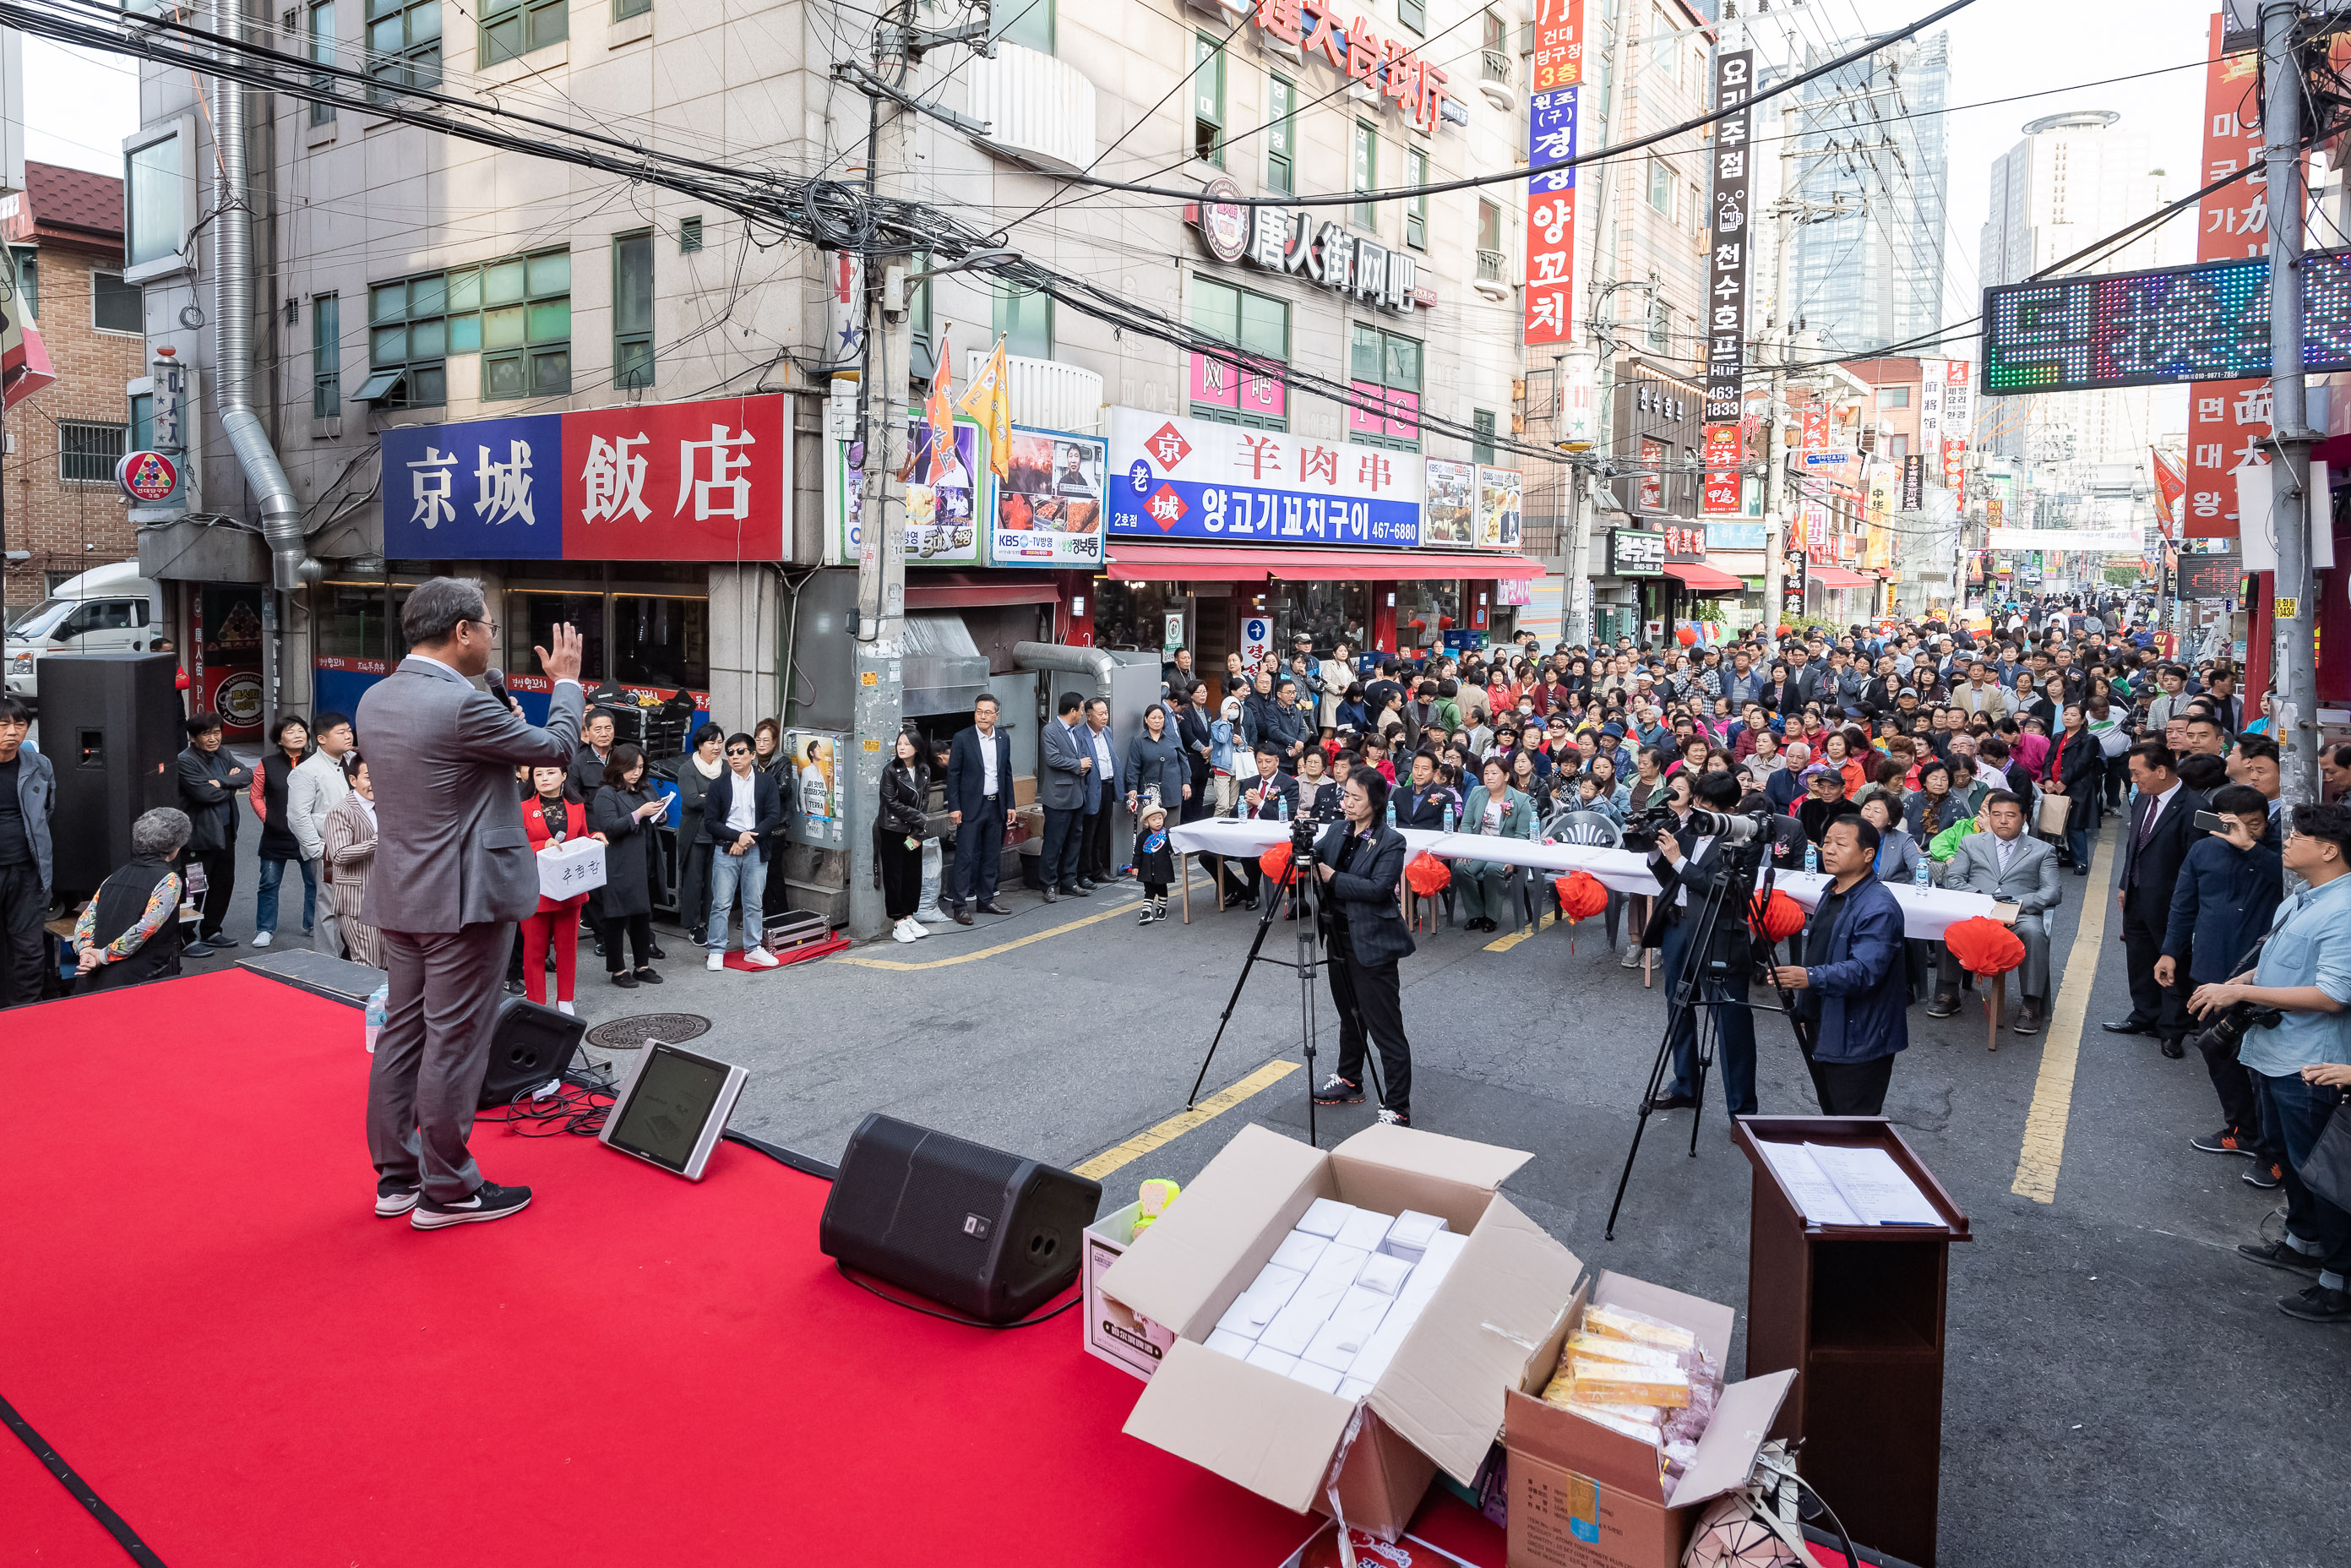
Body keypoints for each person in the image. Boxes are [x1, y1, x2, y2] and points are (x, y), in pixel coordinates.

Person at [357, 580, 582, 1230]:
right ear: (460, 632)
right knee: (454, 1042)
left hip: (404, 891)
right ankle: (449, 1189)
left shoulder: (378, 698)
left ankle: (397, 1178)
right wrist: (566, 683)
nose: (493, 636)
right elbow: (556, 748)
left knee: (404, 1033)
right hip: (465, 899)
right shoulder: (458, 709)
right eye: (486, 625)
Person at [2189, 802, 2351, 1324]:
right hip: (2275, 1052)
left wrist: (2239, 996)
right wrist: (2243, 981)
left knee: (2324, 1173)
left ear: (2328, 850)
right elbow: (2283, 955)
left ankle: (2338, 1280)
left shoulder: (2346, 910)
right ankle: (2302, 1242)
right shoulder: (2305, 897)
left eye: (2298, 835)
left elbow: (2332, 995)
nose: (2286, 840)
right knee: (2289, 1159)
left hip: (2312, 1062)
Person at [2162, 784, 2285, 1167]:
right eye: (2237, 825)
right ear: (2218, 822)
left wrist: (2250, 845)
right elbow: (2183, 905)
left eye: (2257, 825)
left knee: (2265, 1066)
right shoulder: (2203, 851)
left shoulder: (2279, 855)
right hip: (2211, 970)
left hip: (2266, 973)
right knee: (2217, 1051)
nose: (2248, 832)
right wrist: (2169, 951)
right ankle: (2242, 1130)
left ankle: (2274, 1151)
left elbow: (2288, 885)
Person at [1645, 770, 1761, 1120]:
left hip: (1718, 933)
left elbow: (1722, 889)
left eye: (1708, 807)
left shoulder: (1745, 839)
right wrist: (1657, 855)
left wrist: (1679, 859)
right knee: (1678, 1009)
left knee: (1730, 1022)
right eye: (1698, 803)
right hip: (1678, 925)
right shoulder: (1692, 827)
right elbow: (1673, 878)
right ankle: (1685, 1085)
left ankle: (1742, 1111)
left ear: (1730, 808)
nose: (1700, 811)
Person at [1775, 815, 1909, 1115]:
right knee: (1832, 1115)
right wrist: (1806, 1008)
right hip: (1826, 1023)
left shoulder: (1878, 907)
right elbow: (1822, 953)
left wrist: (1807, 978)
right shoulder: (1832, 891)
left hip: (1860, 1035)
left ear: (1868, 855)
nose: (1830, 850)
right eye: (1826, 843)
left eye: (1841, 844)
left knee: (1853, 1124)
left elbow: (1865, 971)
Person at [1309, 770, 1418, 1126]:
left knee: (1385, 1026)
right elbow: (1315, 857)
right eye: (1345, 796)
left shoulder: (1391, 841)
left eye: (1355, 798)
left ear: (1375, 802)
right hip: (1338, 937)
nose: (1347, 803)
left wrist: (1334, 878)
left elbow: (1378, 888)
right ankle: (1349, 1078)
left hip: (1373, 942)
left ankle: (1398, 1106)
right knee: (1350, 1015)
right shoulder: (1338, 830)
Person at [2102, 743, 2207, 1055]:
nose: (2132, 780)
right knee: (2139, 959)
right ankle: (2144, 1015)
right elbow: (2134, 846)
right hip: (2136, 894)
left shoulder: (2195, 808)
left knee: (2172, 963)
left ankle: (2172, 1029)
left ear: (2160, 771)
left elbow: (2196, 862)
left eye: (2137, 773)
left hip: (2171, 902)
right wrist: (2124, 884)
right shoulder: (2143, 800)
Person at [1929, 792, 2062, 1032]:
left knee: (2034, 932)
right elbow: (1954, 879)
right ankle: (1948, 991)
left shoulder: (2042, 850)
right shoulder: (1971, 843)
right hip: (1976, 909)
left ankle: (2031, 1004)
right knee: (1949, 924)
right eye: (1996, 815)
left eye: (2010, 815)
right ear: (1988, 817)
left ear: (2024, 818)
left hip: (2018, 914)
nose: (2002, 821)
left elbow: (2051, 892)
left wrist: (2016, 903)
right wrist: (1983, 898)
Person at [73, 807, 192, 992]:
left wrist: (86, 951)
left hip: (94, 981)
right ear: (175, 848)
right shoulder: (168, 880)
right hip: (136, 980)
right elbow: (146, 927)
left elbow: (87, 919)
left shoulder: (113, 877)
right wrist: (104, 955)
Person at [703, 731, 786, 964]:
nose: (735, 756)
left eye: (740, 752)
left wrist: (748, 838)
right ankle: (717, 949)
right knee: (720, 903)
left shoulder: (766, 782)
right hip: (726, 848)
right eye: (730, 753)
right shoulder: (718, 785)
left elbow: (772, 816)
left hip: (756, 848)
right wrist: (738, 838)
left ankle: (753, 947)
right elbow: (711, 822)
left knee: (754, 902)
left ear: (752, 754)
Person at [593, 743, 669, 987]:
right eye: (631, 768)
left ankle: (642, 966)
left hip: (644, 859)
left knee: (641, 916)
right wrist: (639, 814)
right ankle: (617, 970)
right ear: (618, 767)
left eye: (639, 767)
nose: (636, 772)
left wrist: (660, 814)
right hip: (620, 862)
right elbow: (611, 828)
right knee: (616, 917)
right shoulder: (606, 793)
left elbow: (654, 816)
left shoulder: (646, 788)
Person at [0, 695, 56, 1004]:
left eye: (19, 724)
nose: (12, 732)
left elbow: (47, 811)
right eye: (3, 724)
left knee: (29, 947)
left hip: (27, 871)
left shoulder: (39, 764)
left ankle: (27, 1011)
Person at [287, 710, 355, 958]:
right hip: (329, 848)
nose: (348, 735)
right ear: (322, 739)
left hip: (362, 845)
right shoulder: (306, 771)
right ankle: (328, 958)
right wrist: (317, 849)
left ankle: (356, 953)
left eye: (349, 730)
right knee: (329, 906)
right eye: (341, 732)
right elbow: (297, 816)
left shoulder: (355, 759)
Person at [945, 694, 1016, 925]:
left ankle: (986, 899)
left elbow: (1006, 773)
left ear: (996, 716)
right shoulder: (962, 738)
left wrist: (1010, 805)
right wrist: (954, 807)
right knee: (965, 856)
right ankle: (959, 905)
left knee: (990, 855)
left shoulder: (1003, 739)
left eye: (987, 712)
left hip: (996, 805)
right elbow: (953, 775)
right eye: (979, 711)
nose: (982, 716)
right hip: (970, 807)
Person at [250, 714, 315, 948]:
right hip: (275, 835)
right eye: (290, 731)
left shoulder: (316, 760)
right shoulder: (267, 763)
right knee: (268, 883)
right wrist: (269, 819)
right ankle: (265, 929)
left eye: (301, 730)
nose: (298, 735)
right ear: (279, 738)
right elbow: (256, 796)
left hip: (310, 834)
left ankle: (312, 924)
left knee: (314, 882)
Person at [1456, 754, 1535, 934]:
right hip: (1479, 847)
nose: (1489, 777)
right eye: (1486, 773)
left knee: (1493, 869)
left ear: (1506, 776)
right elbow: (1467, 824)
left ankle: (1491, 917)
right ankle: (1475, 913)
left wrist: (1511, 858)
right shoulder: (1477, 792)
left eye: (1494, 773)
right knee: (1460, 868)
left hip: (1503, 850)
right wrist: (1465, 849)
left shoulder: (1521, 801)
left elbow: (1522, 835)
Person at [322, 752, 384, 972]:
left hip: (388, 901)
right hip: (357, 902)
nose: (375, 783)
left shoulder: (388, 806)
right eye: (368, 777)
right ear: (353, 780)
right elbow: (339, 854)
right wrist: (379, 841)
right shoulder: (342, 811)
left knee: (388, 964)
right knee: (367, 964)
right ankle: (360, 1006)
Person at [667, 723, 726, 946]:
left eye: (719, 742)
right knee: (694, 880)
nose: (716, 747)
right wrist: (716, 798)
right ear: (700, 745)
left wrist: (707, 796)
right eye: (711, 742)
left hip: (719, 834)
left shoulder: (726, 768)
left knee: (715, 881)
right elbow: (691, 800)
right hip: (695, 834)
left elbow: (730, 798)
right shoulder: (688, 769)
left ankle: (711, 919)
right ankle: (693, 924)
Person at [1038, 692, 1091, 903]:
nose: (1082, 714)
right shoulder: (1050, 730)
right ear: (1072, 711)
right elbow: (1053, 759)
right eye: (1081, 709)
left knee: (1074, 840)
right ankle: (1048, 884)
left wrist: (1083, 766)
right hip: (1058, 797)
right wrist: (1078, 765)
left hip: (1077, 794)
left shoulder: (1076, 732)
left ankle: (1069, 881)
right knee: (1054, 842)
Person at [879, 729, 932, 943]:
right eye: (900, 743)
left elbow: (925, 801)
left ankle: (910, 916)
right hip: (892, 829)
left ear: (917, 747)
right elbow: (890, 803)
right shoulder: (890, 770)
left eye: (907, 744)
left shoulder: (924, 770)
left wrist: (918, 832)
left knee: (912, 875)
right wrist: (918, 817)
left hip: (913, 830)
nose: (902, 747)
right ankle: (898, 921)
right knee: (894, 876)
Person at [2043, 702, 2103, 874]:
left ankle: (2081, 861)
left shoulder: (2089, 739)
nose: (2068, 717)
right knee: (2057, 824)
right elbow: (2048, 759)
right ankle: (2066, 856)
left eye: (2073, 715)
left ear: (2083, 719)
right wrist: (2047, 779)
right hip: (2054, 786)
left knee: (2076, 825)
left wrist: (2064, 781)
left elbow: (2082, 763)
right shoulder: (2057, 736)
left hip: (2077, 787)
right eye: (2066, 714)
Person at [1124, 700, 1189, 846]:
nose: (1157, 721)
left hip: (1172, 789)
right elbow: (1133, 767)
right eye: (1153, 718)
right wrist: (1132, 788)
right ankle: (1149, 863)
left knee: (1171, 831)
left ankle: (1166, 862)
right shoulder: (1139, 741)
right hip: (1150, 793)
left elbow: (1183, 760)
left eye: (1160, 717)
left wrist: (1186, 782)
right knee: (1150, 831)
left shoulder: (1172, 738)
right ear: (1146, 720)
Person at [1080, 698, 1121, 885]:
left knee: (1103, 831)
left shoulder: (1107, 732)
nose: (1105, 717)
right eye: (1101, 714)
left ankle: (1098, 870)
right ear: (1088, 716)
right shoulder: (1080, 735)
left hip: (1108, 786)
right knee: (1089, 833)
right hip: (1091, 788)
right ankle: (1084, 873)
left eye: (1106, 713)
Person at [1133, 798, 1178, 924]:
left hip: (1162, 868)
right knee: (1149, 890)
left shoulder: (1166, 834)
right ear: (1146, 823)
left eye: (1160, 818)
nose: (1158, 822)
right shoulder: (1142, 837)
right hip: (1147, 869)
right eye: (1154, 820)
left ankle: (1162, 909)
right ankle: (1146, 912)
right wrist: (1136, 866)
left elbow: (1172, 848)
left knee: (1162, 889)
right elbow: (1138, 853)